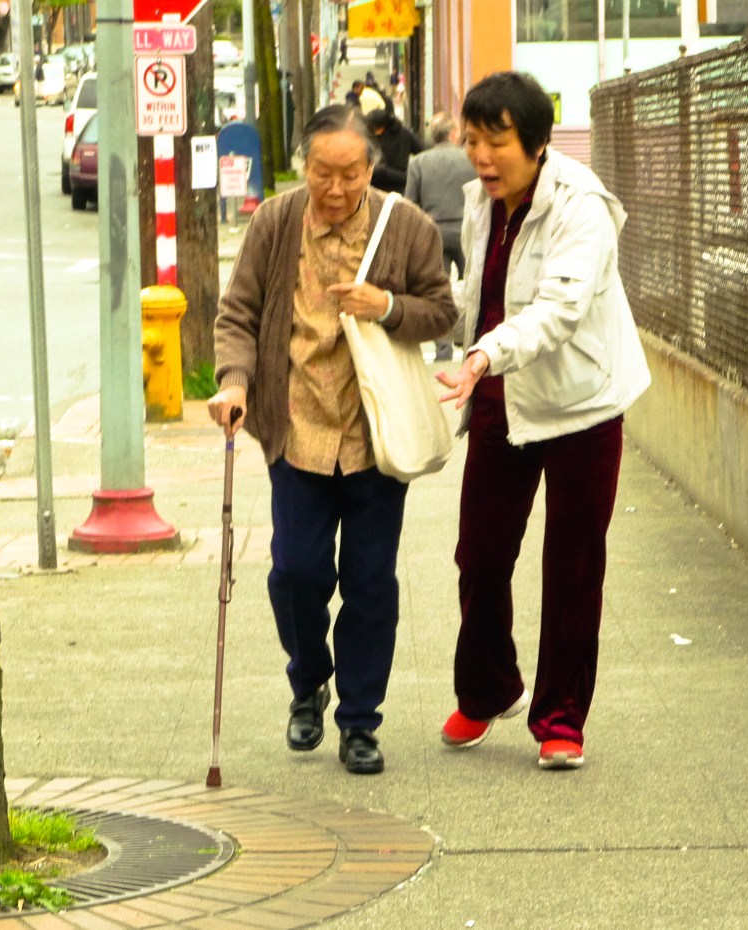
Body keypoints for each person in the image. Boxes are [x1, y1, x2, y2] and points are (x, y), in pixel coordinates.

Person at [208, 104, 457, 776]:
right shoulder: (275, 222)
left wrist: (389, 307)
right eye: (324, 173)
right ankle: (309, 679)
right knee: (296, 573)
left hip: (376, 436)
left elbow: (442, 310)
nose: (338, 188)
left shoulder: (406, 227)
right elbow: (239, 313)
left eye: (351, 174)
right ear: (304, 166)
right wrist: (234, 383)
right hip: (297, 430)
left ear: (371, 168)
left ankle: (360, 721)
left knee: (370, 582)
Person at [435, 72, 651, 770]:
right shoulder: (481, 200)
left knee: (573, 566)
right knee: (480, 555)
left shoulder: (581, 206)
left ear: (536, 143)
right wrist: (408, 312)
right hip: (502, 397)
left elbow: (558, 309)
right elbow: (481, 295)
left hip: (583, 403)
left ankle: (560, 717)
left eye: (496, 142)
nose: (481, 156)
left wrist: (483, 353)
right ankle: (487, 688)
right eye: (472, 140)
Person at [405, 111, 476, 360]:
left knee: (439, 293)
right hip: (468, 229)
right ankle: (472, 342)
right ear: (454, 134)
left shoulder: (418, 162)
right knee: (475, 288)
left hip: (433, 232)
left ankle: (443, 349)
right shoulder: (470, 159)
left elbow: (410, 202)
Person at [365, 107, 424, 194]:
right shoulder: (405, 133)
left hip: (382, 185)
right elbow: (422, 152)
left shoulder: (377, 138)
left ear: (380, 127)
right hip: (401, 182)